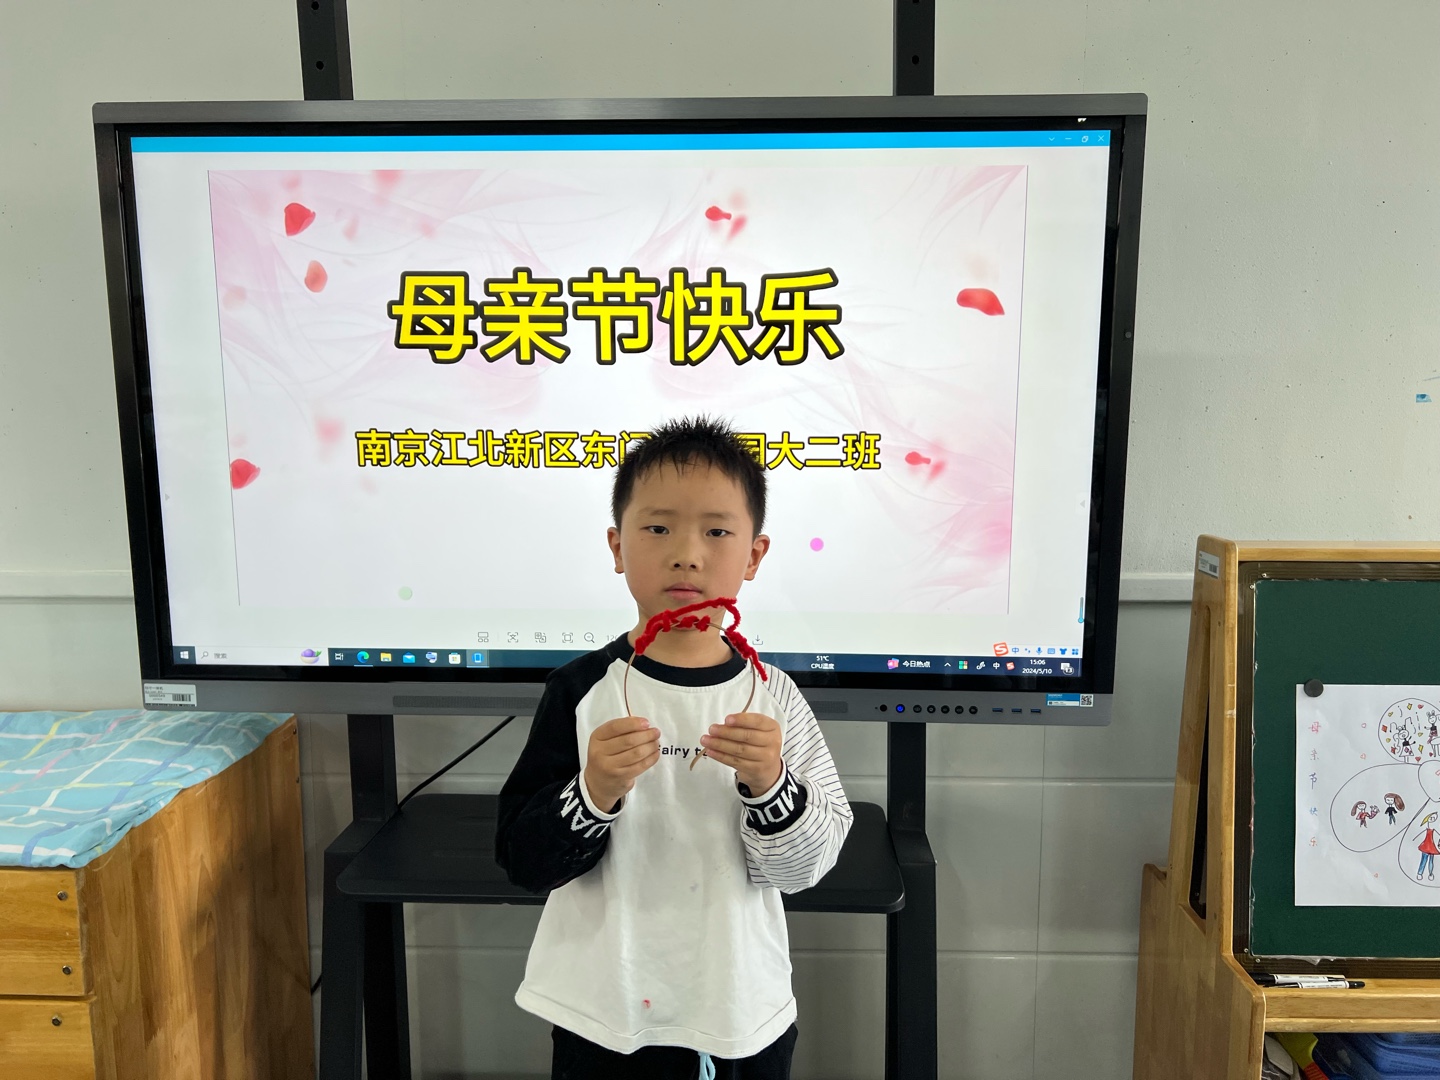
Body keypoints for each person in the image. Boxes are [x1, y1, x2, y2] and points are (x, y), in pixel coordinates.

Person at [496, 416, 853, 1080]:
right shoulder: (580, 690)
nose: (687, 553)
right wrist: (592, 794)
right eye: (658, 528)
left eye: (717, 532)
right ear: (617, 546)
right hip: (602, 1015)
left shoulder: (773, 695)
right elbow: (524, 860)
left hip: (740, 1010)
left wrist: (772, 786)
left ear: (754, 556)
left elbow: (808, 865)